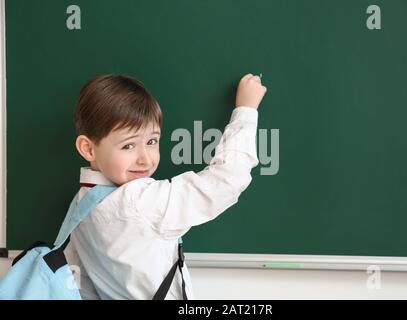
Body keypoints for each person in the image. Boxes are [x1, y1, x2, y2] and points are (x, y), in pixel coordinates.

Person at [64, 73, 267, 299]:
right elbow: (226, 180)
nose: (146, 159)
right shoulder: (139, 202)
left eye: (152, 141)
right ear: (88, 149)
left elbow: (82, 286)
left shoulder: (82, 204)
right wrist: (246, 111)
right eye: (128, 145)